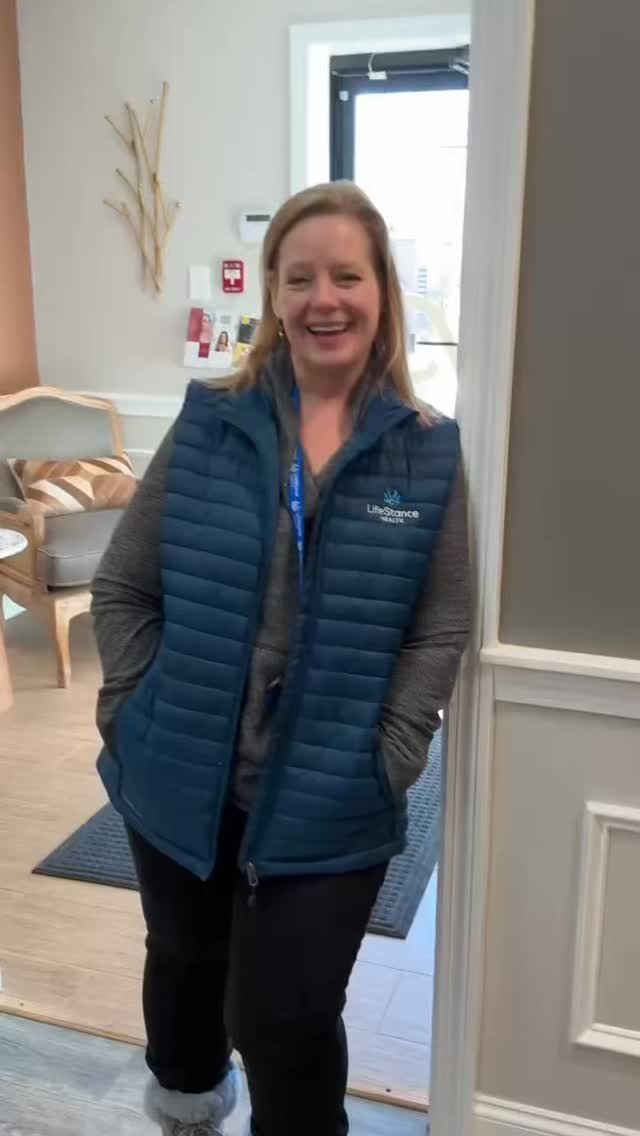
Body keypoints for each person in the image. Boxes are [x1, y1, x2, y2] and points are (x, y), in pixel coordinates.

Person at [91, 181, 471, 1136]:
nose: (323, 299)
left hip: (334, 788)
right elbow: (124, 583)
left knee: (286, 1014)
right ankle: (186, 1108)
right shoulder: (211, 422)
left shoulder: (426, 452)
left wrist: (393, 753)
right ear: (273, 293)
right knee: (185, 962)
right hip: (182, 767)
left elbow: (439, 626)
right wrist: (131, 710)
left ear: (382, 291)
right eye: (299, 278)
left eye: (347, 275)